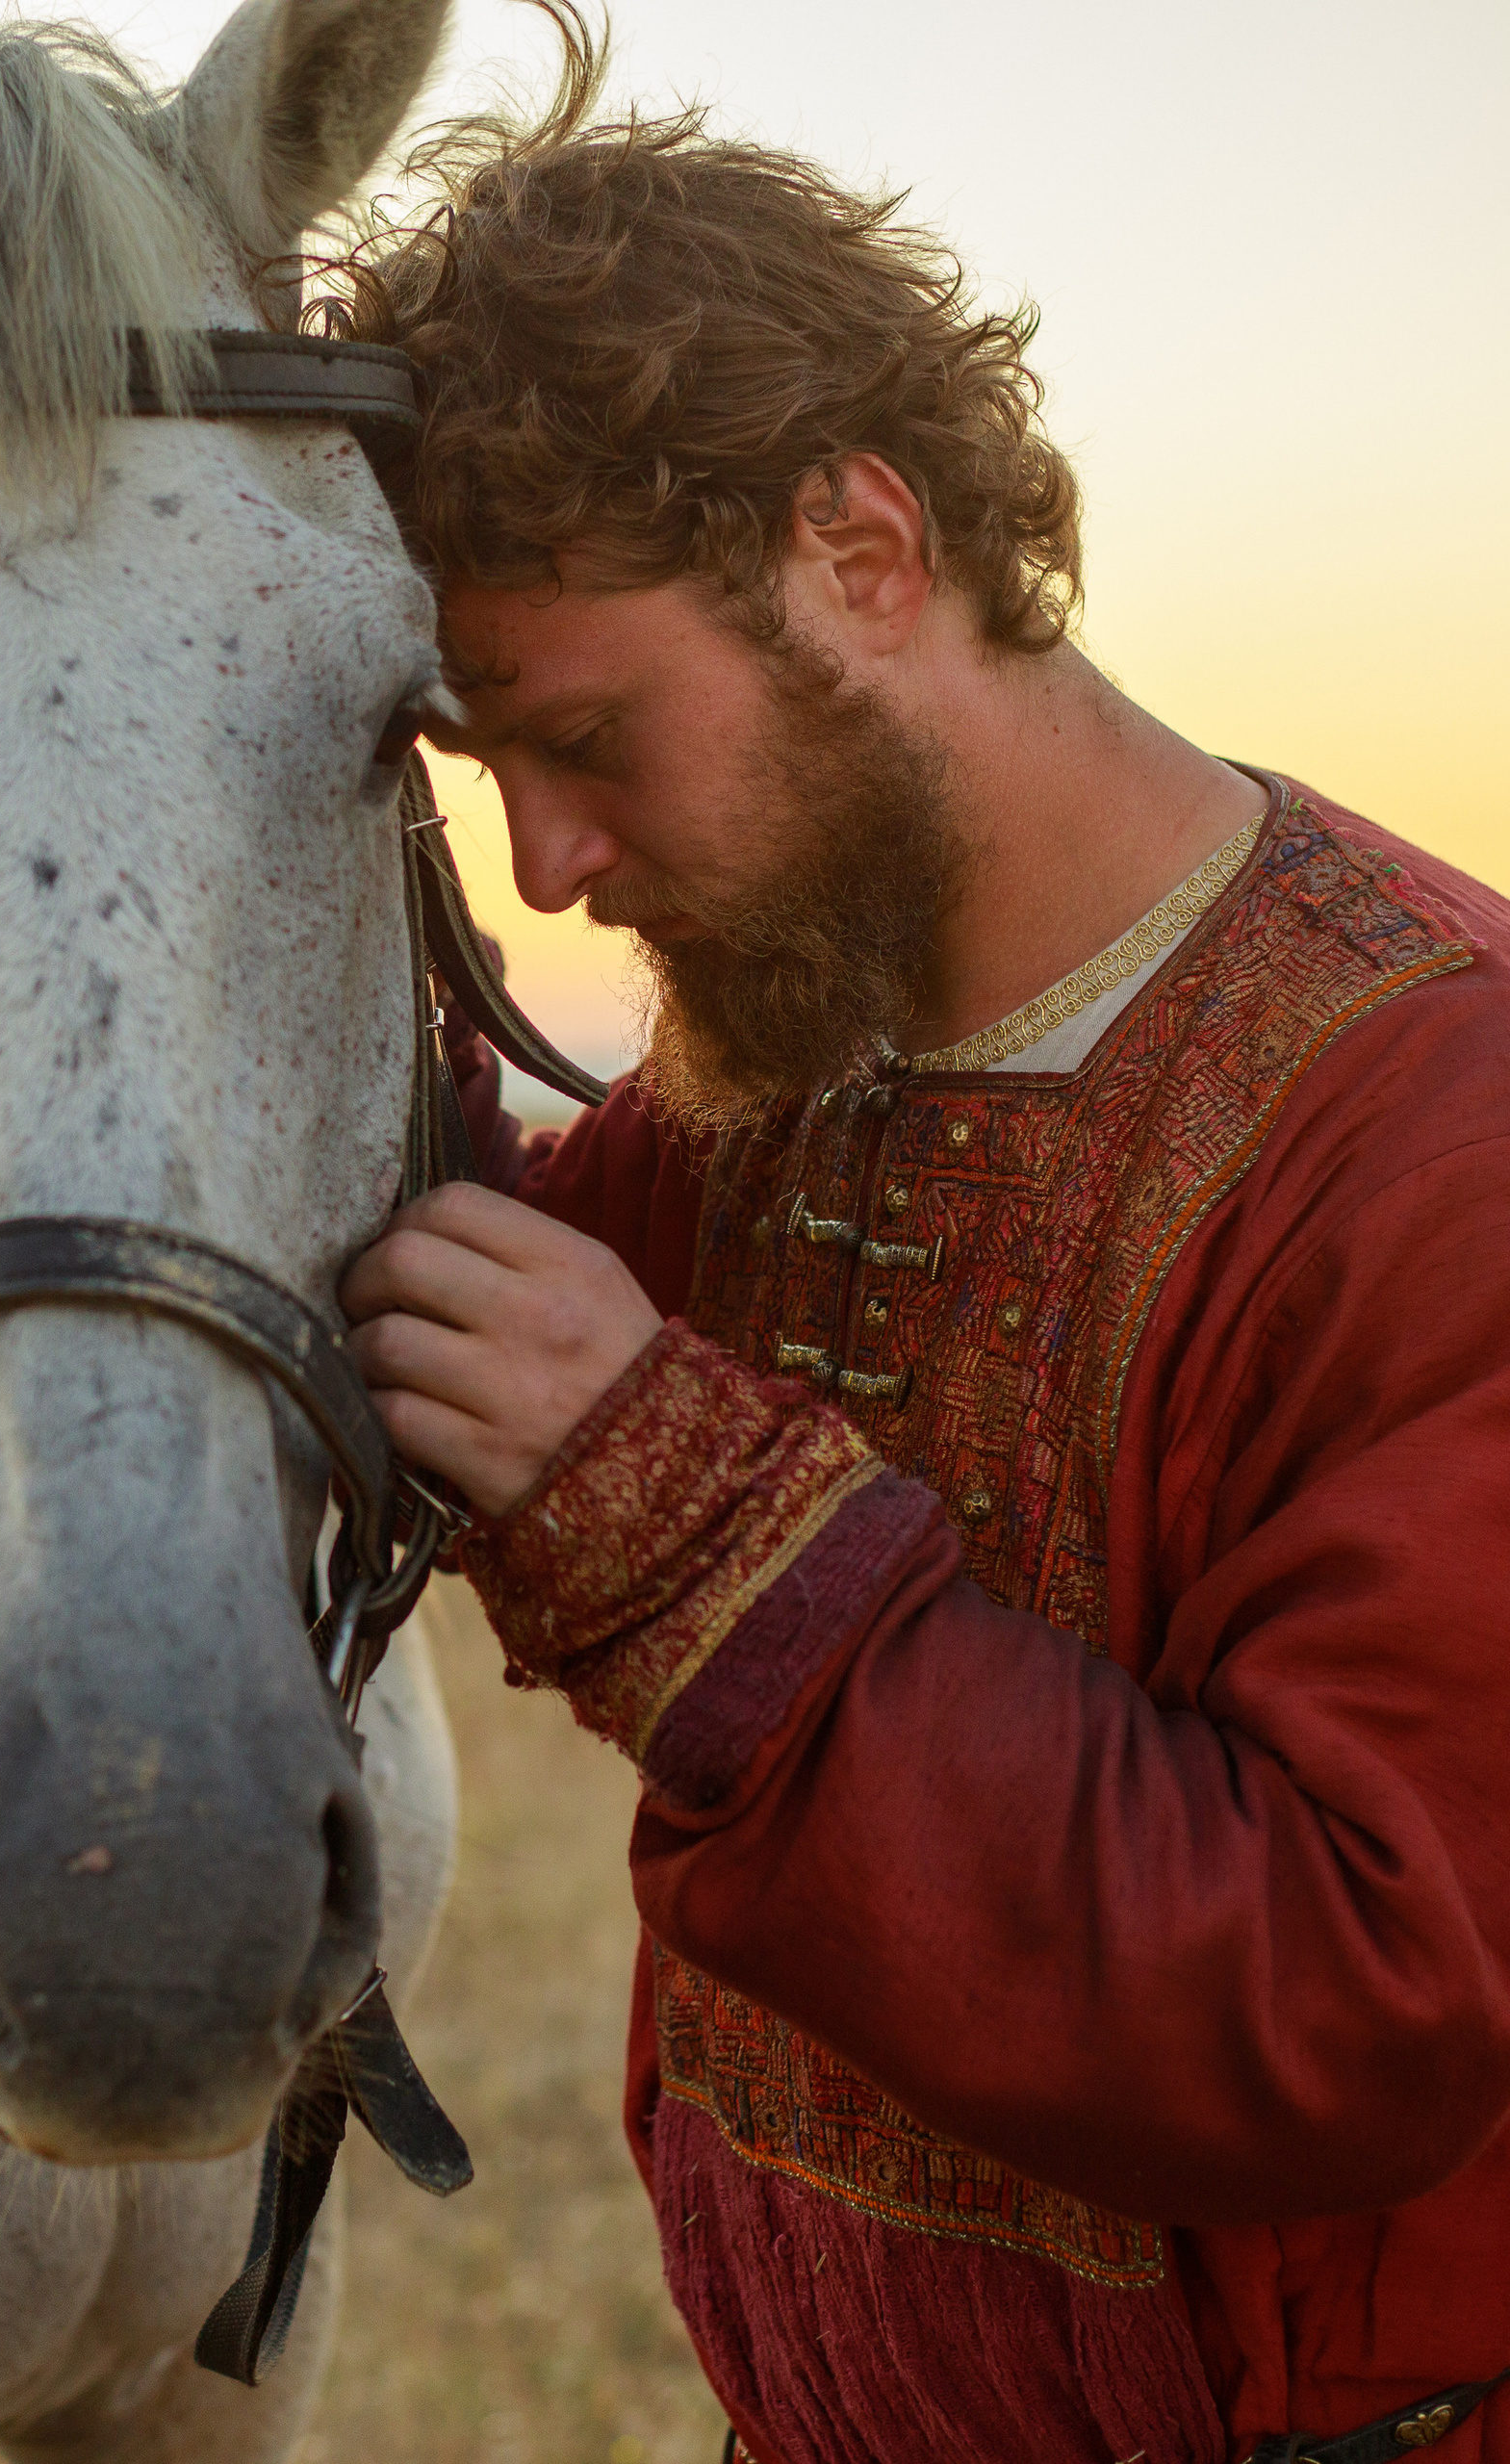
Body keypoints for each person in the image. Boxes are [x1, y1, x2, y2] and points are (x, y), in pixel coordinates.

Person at [330, 18, 1510, 2463]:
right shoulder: (787, 1051)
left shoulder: (1438, 1131)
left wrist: (684, 1514)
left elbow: (1346, 1995)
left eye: (582, 734)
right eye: (484, 775)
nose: (544, 864)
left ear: (860, 553)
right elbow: (478, 1317)